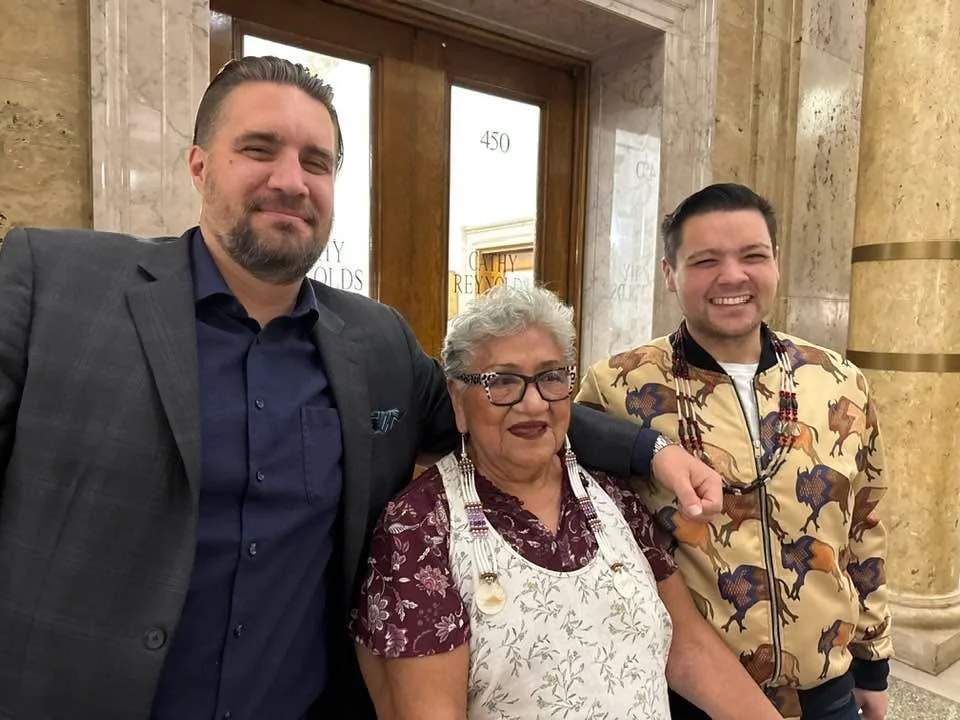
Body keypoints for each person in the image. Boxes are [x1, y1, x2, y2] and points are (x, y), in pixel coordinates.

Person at [0, 57, 723, 720]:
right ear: (198, 165)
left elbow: (498, 405)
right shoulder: (55, 282)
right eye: (259, 149)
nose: (291, 179)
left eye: (316, 161)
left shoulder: (373, 342)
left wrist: (651, 451)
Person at [350, 284, 782, 720]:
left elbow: (688, 648)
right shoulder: (418, 528)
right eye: (502, 381)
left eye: (551, 377)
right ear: (459, 399)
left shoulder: (611, 496)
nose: (533, 403)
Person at [577, 183, 892, 720]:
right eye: (704, 260)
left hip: (825, 687)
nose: (732, 276)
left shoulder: (840, 382)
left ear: (775, 261)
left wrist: (872, 664)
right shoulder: (618, 386)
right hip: (692, 694)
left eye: (752, 256)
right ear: (669, 273)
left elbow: (865, 526)